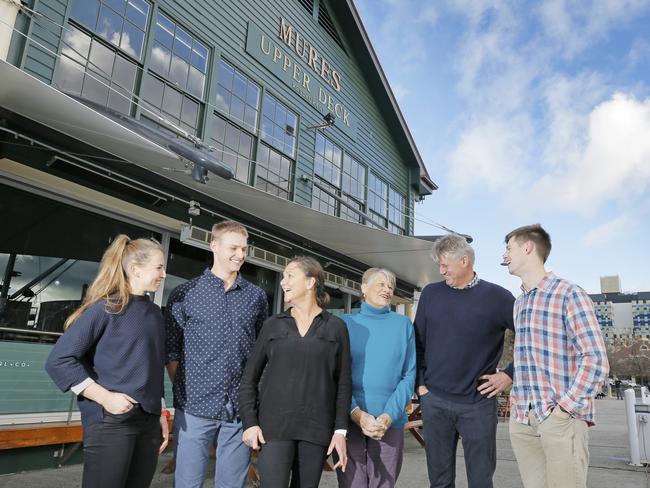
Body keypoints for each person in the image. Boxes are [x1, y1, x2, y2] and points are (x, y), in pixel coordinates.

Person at [45, 235, 169, 488]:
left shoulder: (155, 314)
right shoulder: (105, 309)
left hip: (148, 421)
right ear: (135, 269)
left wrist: (161, 412)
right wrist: (106, 398)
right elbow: (59, 360)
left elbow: (151, 368)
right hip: (111, 421)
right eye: (159, 267)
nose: (164, 274)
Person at [503, 224, 609, 488]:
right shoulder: (520, 302)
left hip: (560, 421)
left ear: (527, 247)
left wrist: (563, 411)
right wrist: (517, 406)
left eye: (509, 248)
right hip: (524, 421)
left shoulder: (569, 293)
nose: (505, 255)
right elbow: (527, 359)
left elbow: (595, 360)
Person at [165, 220, 268, 488]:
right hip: (194, 408)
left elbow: (260, 353)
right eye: (234, 248)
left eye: (244, 249)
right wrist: (184, 389)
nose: (240, 255)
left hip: (239, 410)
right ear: (214, 246)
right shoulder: (185, 293)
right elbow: (172, 351)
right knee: (187, 484)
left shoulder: (256, 297)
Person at [239, 256, 351, 488]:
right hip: (274, 429)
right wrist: (250, 422)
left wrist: (340, 431)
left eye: (290, 275)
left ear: (310, 282)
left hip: (317, 429)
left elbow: (343, 383)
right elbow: (249, 378)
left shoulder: (336, 327)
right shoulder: (273, 324)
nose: (282, 281)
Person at [414, 234, 515, 488]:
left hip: (478, 404)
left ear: (465, 260)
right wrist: (421, 386)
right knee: (439, 481)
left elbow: (532, 337)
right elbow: (417, 343)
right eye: (439, 264)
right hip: (434, 401)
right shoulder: (431, 294)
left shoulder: (499, 297)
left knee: (480, 480)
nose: (441, 270)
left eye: (445, 264)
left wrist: (510, 373)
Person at [339, 267, 416, 488]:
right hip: (349, 418)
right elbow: (335, 374)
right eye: (381, 284)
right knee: (351, 484)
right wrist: (357, 414)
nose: (387, 289)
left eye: (390, 286)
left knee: (384, 484)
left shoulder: (403, 325)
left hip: (389, 424)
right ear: (363, 288)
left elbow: (409, 374)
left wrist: (388, 416)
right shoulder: (345, 324)